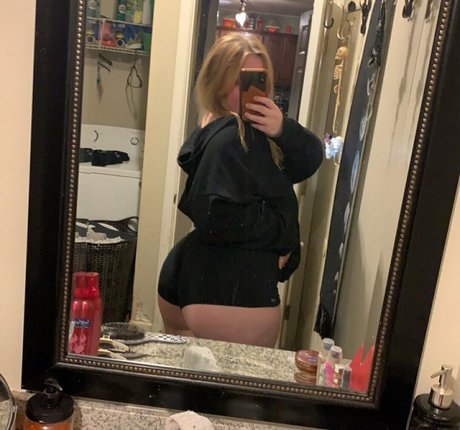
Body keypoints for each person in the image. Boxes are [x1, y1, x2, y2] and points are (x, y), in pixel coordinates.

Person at [157, 33, 323, 347]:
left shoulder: (236, 131)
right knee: (235, 378)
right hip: (230, 291)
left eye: (258, 80)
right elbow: (218, 217)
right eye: (238, 81)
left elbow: (308, 160)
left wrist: (282, 129)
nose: (249, 91)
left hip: (201, 279)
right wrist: (284, 234)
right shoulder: (232, 136)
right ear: (217, 83)